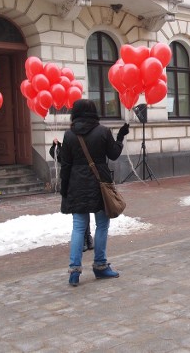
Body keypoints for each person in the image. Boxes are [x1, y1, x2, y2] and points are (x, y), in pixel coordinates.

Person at [59, 99, 129, 287]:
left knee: (78, 228)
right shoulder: (103, 131)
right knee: (102, 225)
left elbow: (64, 164)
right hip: (100, 184)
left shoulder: (69, 135)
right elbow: (113, 154)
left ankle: (74, 271)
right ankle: (100, 265)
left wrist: (64, 188)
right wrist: (120, 137)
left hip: (76, 184)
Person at [50, 139, 94, 252]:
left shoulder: (80, 147)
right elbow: (59, 157)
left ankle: (85, 239)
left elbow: (61, 159)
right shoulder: (73, 146)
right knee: (82, 212)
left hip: (78, 185)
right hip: (80, 185)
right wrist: (57, 145)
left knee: (81, 214)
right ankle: (86, 239)